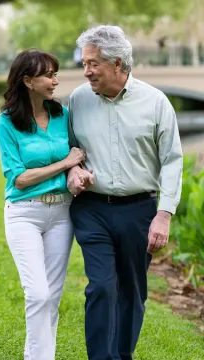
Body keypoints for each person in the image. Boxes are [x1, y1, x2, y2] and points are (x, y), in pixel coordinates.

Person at [66, 25, 183, 360]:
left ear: (117, 63)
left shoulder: (156, 102)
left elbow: (172, 161)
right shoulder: (78, 99)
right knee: (101, 286)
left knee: (132, 291)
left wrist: (164, 214)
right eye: (84, 63)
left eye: (93, 63)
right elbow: (70, 148)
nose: (86, 71)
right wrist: (73, 169)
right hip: (92, 210)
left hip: (139, 211)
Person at [0, 49, 86, 360]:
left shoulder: (64, 116)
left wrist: (75, 168)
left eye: (55, 73)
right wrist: (65, 163)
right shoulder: (5, 123)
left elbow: (79, 154)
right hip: (24, 214)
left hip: (62, 213)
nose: (55, 80)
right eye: (48, 74)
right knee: (38, 294)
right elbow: (19, 178)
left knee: (53, 297)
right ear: (28, 80)